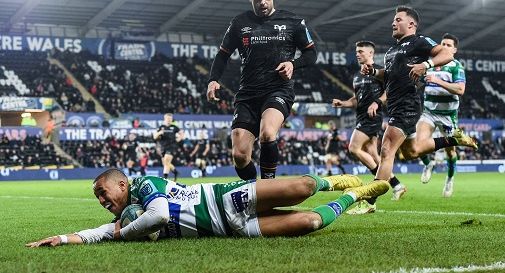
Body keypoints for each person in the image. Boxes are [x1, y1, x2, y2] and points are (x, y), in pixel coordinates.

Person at [26, 169, 389, 247]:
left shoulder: (145, 186)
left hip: (224, 199)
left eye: (105, 193)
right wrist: (59, 238)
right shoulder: (123, 217)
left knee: (304, 187)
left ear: (122, 184)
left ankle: (335, 182)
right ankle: (354, 197)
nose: (104, 202)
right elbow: (97, 234)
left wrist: (123, 231)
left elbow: (160, 216)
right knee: (310, 222)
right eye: (99, 200)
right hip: (229, 228)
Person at [360, 6, 477, 200]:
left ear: (411, 24)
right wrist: (373, 72)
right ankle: (452, 140)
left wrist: (426, 64)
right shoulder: (391, 51)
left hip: (410, 104)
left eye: (398, 20)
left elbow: (446, 55)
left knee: (387, 149)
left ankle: (371, 201)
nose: (393, 23)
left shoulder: (419, 41)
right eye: (394, 20)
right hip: (399, 104)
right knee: (412, 151)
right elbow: (389, 77)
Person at [207, 0, 317, 180]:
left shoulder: (293, 21)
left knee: (267, 133)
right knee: (240, 156)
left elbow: (311, 53)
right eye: (258, 0)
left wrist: (293, 64)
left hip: (278, 89)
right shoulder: (239, 23)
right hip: (248, 94)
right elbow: (222, 55)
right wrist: (213, 80)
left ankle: (268, 185)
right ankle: (254, 191)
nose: (263, 2)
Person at [332, 41, 402, 212]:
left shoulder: (380, 71)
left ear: (370, 53)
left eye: (361, 51)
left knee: (354, 148)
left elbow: (389, 91)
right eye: (357, 51)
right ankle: (396, 185)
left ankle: (377, 184)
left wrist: (377, 103)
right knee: (372, 153)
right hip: (361, 115)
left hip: (372, 116)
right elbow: (356, 99)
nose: (358, 54)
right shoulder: (357, 76)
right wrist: (343, 103)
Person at [417, 33, 466, 198]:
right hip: (429, 112)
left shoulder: (456, 66)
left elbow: (460, 90)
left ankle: (450, 178)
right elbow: (420, 82)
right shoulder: (430, 64)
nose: (444, 47)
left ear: (455, 50)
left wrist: (438, 82)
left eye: (448, 45)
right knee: (418, 145)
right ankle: (428, 163)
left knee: (450, 152)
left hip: (447, 116)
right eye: (442, 44)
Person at [153, 113, 182, 181]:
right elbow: (155, 136)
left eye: (170, 119)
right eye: (167, 119)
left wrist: (179, 138)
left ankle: (165, 179)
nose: (169, 120)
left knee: (166, 160)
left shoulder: (174, 127)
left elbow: (182, 133)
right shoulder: (161, 127)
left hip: (172, 146)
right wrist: (159, 133)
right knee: (165, 163)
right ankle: (175, 172)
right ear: (165, 119)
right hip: (163, 147)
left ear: (172, 119)